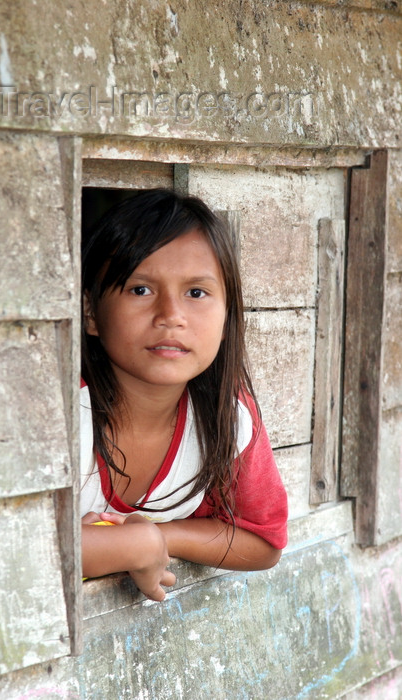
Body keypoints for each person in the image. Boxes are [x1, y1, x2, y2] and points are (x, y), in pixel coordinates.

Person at [80, 188, 287, 602]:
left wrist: (157, 536)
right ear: (91, 313)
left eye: (196, 293)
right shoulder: (62, 416)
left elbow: (263, 543)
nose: (171, 316)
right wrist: (131, 546)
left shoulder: (226, 416)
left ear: (227, 316)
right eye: (140, 289)